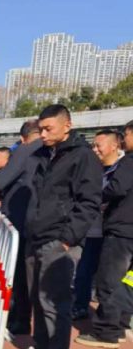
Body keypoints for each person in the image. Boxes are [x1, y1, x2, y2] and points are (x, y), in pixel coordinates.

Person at [10, 105, 102, 349]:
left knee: (54, 301)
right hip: (35, 236)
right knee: (37, 297)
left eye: (49, 129)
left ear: (67, 126)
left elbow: (89, 202)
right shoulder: (41, 153)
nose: (43, 134)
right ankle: (42, 348)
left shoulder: (82, 157)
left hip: (59, 239)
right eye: (41, 129)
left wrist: (67, 239)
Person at [76, 121, 133, 349]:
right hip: (126, 231)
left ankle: (106, 332)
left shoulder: (128, 162)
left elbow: (117, 188)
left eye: (126, 135)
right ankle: (119, 325)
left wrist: (95, 198)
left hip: (120, 230)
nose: (124, 139)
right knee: (127, 281)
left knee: (109, 280)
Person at [0, 119, 42, 337]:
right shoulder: (54, 152)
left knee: (18, 272)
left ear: (22, 137)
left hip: (20, 220)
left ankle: (20, 319)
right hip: (43, 220)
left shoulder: (26, 150)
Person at [72, 130, 122, 321]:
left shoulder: (123, 169)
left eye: (98, 145)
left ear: (114, 146)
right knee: (84, 272)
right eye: (93, 145)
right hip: (93, 231)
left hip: (114, 233)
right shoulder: (95, 169)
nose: (95, 149)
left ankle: (112, 318)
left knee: (111, 278)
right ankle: (81, 306)